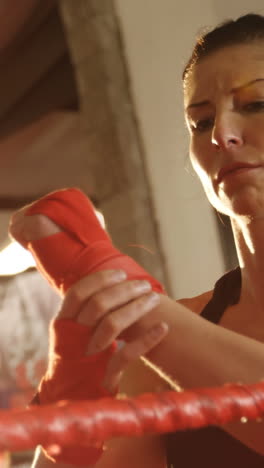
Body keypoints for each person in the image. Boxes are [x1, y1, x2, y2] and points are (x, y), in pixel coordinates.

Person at [11, 12, 264, 468]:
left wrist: (134, 307)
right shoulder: (164, 342)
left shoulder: (159, 333)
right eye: (201, 122)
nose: (222, 135)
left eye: (256, 104)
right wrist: (70, 415)